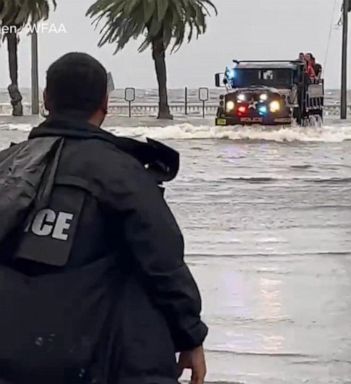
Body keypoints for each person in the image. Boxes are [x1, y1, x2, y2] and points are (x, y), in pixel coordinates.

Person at [0, 52, 208, 384]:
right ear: (105, 104)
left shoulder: (7, 166)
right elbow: (163, 262)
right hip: (104, 360)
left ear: (46, 100)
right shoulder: (123, 174)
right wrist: (190, 336)